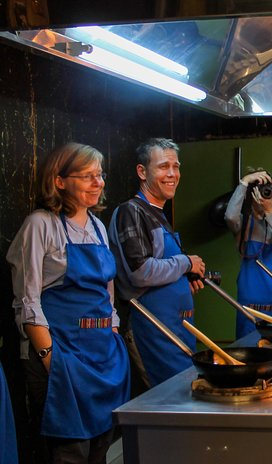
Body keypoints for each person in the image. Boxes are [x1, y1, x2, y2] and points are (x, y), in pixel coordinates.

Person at [6, 143, 130, 463]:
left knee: (102, 445)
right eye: (87, 176)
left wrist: (112, 333)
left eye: (99, 175)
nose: (98, 183)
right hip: (62, 354)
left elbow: (108, 295)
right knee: (70, 451)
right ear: (60, 181)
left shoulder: (98, 229)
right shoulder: (40, 225)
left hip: (103, 356)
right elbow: (27, 300)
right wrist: (49, 356)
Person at [109, 138, 205, 390]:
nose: (172, 174)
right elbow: (140, 272)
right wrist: (185, 263)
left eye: (176, 166)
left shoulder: (157, 213)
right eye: (163, 167)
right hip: (151, 331)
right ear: (142, 172)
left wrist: (182, 279)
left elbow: (161, 266)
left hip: (176, 330)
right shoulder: (132, 211)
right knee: (170, 405)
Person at [225, 168, 272, 339]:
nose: (264, 192)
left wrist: (269, 212)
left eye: (268, 188)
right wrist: (244, 182)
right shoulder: (243, 224)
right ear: (251, 194)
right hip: (251, 312)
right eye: (258, 188)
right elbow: (229, 217)